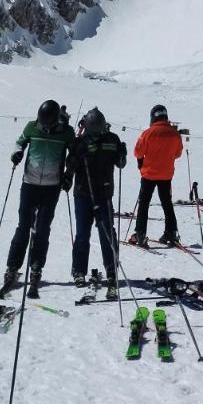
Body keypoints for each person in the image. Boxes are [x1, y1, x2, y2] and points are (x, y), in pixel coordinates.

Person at [0, 100, 74, 297]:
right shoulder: (31, 127)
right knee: (23, 227)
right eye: (42, 122)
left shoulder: (66, 132)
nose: (45, 126)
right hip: (29, 184)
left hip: (52, 187)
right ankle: (12, 267)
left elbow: (74, 155)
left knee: (42, 230)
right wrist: (17, 153)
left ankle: (36, 267)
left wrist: (69, 174)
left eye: (48, 123)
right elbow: (20, 141)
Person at [65, 107, 126, 295]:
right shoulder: (79, 142)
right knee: (83, 234)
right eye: (94, 131)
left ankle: (111, 268)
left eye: (100, 130)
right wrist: (77, 156)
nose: (97, 134)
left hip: (104, 193)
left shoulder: (112, 139)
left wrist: (122, 153)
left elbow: (120, 163)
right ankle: (79, 270)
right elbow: (70, 165)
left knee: (107, 232)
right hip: (83, 194)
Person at [128, 104, 183, 246]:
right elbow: (178, 153)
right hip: (166, 174)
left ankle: (140, 233)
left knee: (144, 203)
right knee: (167, 202)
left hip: (149, 174)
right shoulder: (175, 133)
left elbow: (137, 152)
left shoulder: (148, 133)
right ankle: (171, 232)